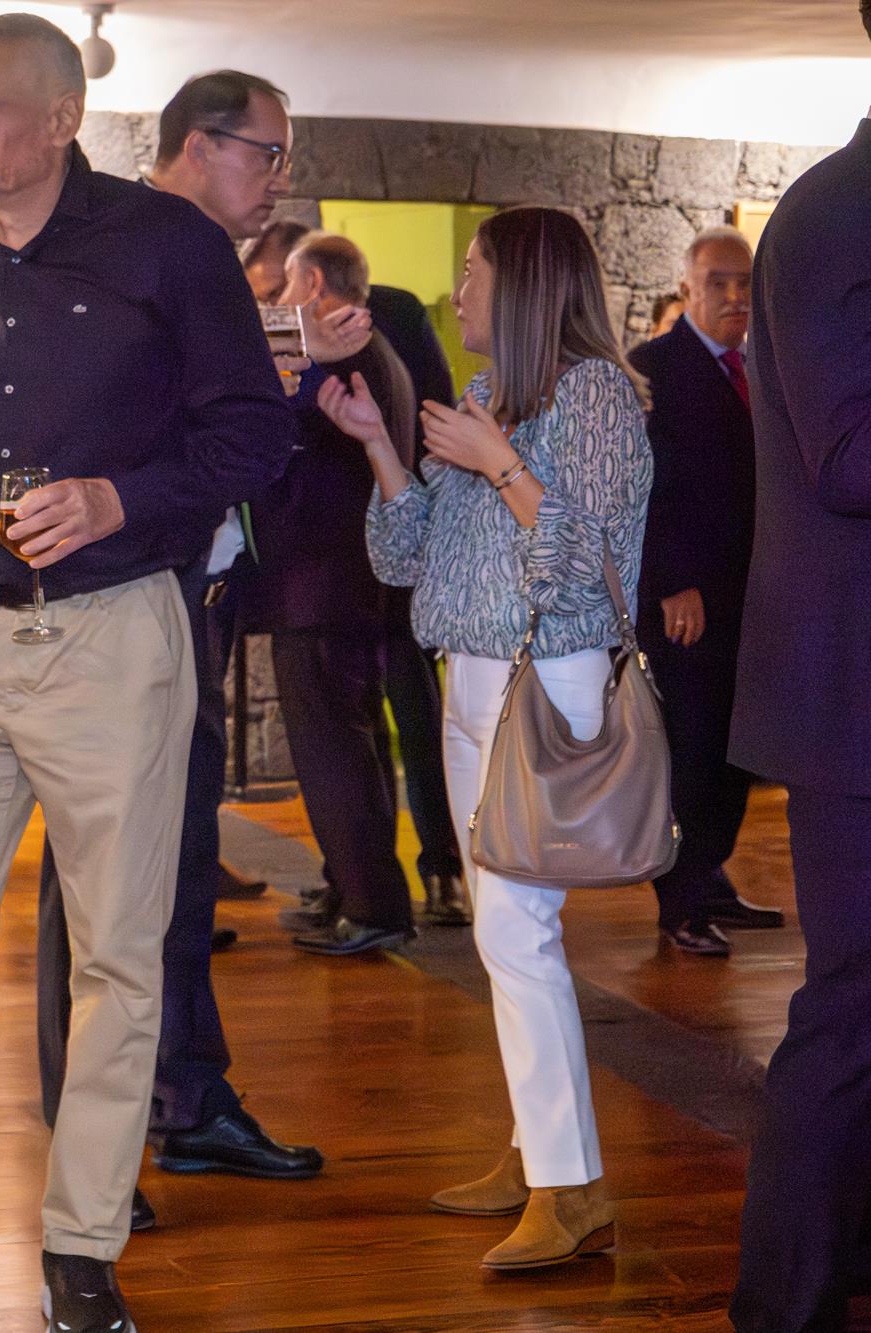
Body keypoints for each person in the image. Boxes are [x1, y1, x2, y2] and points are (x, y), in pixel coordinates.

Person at [0, 20, 290, 1333]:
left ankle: (84, 1247)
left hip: (109, 635)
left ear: (60, 118)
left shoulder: (170, 246)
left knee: (119, 958)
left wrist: (117, 499)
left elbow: (255, 433)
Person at [32, 69, 327, 1241]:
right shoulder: (117, 251)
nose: (280, 179)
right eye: (269, 152)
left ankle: (188, 1100)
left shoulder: (196, 264)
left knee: (181, 873)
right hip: (114, 607)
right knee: (95, 887)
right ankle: (87, 1143)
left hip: (190, 602)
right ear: (200, 146)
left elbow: (225, 439)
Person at [334, 206, 650, 1271]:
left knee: (518, 933)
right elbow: (409, 554)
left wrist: (501, 461)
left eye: (472, 271)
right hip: (472, 676)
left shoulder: (594, 393)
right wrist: (381, 446)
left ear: (522, 286)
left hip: (545, 675)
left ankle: (573, 1186)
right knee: (501, 931)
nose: (458, 290)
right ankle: (536, 1153)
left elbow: (584, 561)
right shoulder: (490, 395)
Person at [728, 90, 871, 1330]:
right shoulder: (837, 214)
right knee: (852, 1013)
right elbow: (850, 454)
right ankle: (782, 1303)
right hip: (856, 700)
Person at [242, 230, 421, 958]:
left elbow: (278, 433)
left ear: (313, 283)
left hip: (321, 579)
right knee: (355, 742)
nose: (281, 302)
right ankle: (352, 885)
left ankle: (372, 902)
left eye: (285, 286)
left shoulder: (338, 350)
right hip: (344, 579)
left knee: (332, 750)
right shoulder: (372, 347)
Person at [627, 226, 781, 958]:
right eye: (718, 281)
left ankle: (712, 876)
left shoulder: (761, 366)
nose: (734, 295)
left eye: (744, 281)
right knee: (689, 750)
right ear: (687, 285)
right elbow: (640, 491)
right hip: (685, 601)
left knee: (734, 747)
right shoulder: (652, 369)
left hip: (752, 596)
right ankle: (681, 901)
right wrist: (670, 583)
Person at [364, 281, 469, 926]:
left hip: (403, 533)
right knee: (356, 727)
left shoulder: (395, 310)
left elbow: (436, 418)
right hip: (334, 552)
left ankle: (442, 866)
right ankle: (358, 875)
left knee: (417, 712)